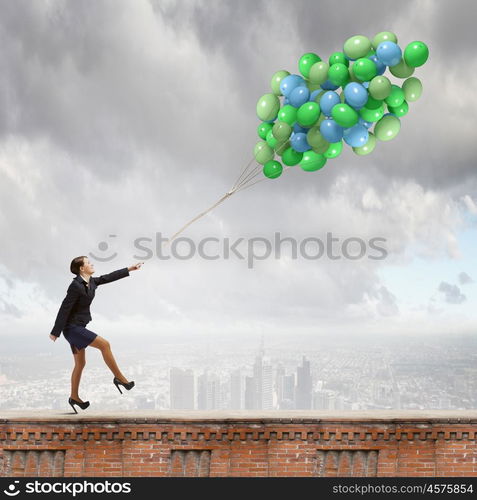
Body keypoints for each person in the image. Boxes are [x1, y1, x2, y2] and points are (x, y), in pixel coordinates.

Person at [49, 256, 144, 413]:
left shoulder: (91, 282)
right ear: (81, 268)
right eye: (88, 263)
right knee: (105, 345)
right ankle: (120, 378)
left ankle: (74, 397)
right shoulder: (75, 286)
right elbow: (64, 308)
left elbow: (109, 277)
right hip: (72, 328)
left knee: (80, 364)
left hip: (78, 326)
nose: (91, 264)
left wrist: (130, 269)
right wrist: (55, 332)